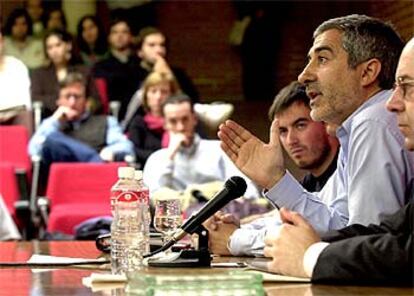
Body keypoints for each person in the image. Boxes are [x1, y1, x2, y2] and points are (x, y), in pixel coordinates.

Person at [207, 14, 414, 257]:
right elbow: (334, 222)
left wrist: (237, 240)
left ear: (367, 72)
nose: (303, 76)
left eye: (322, 59)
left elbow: (365, 242)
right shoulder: (359, 124)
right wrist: (273, 180)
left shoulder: (374, 119)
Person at [263, 37, 414, 285]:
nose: (392, 103)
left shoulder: (371, 122)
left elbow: (400, 253)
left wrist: (310, 255)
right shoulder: (354, 131)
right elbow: (382, 232)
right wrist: (303, 246)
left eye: (407, 87)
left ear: (367, 72)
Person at [143, 94, 261, 211]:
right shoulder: (157, 159)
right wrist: (170, 155)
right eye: (173, 121)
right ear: (165, 124)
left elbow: (247, 191)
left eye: (185, 119)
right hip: (176, 222)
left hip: (221, 216)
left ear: (194, 119)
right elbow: (153, 199)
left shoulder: (219, 149)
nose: (180, 127)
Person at [28, 72, 133, 185]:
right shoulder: (51, 125)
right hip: (63, 185)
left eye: (77, 97)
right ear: (58, 101)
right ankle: (94, 160)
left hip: (95, 181)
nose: (72, 102)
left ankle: (93, 160)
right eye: (67, 96)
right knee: (52, 141)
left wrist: (109, 151)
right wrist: (55, 120)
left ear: (86, 101)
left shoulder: (106, 121)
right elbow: (33, 150)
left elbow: (127, 147)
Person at [268, 81, 339, 192]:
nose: (290, 140)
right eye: (283, 131)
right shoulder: (308, 185)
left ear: (326, 121)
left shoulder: (351, 172)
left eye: (300, 126)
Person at [31, 29, 100, 118]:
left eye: (58, 45)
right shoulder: (39, 74)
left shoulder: (84, 71)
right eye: (50, 47)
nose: (54, 51)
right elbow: (36, 98)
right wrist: (63, 102)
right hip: (51, 119)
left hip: (81, 119)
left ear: (68, 46)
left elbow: (96, 100)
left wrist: (87, 106)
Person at [127, 72, 180, 167]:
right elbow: (134, 150)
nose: (158, 97)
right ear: (146, 95)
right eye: (153, 91)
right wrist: (164, 158)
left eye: (164, 92)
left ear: (172, 95)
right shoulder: (139, 122)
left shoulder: (183, 121)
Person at [93, 19, 141, 121]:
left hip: (139, 115)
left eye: (124, 32)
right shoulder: (100, 66)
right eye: (115, 32)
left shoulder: (140, 64)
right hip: (111, 117)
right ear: (109, 37)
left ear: (131, 36)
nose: (120, 36)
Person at [135, 27, 199, 103]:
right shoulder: (130, 74)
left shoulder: (178, 74)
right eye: (152, 45)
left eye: (162, 45)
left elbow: (191, 100)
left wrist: (169, 76)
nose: (159, 50)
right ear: (140, 52)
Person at [0, 28, 32, 133]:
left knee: (26, 114)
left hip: (16, 114)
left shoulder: (17, 65)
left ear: (2, 42)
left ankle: (23, 148)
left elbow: (24, 102)